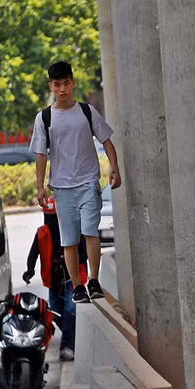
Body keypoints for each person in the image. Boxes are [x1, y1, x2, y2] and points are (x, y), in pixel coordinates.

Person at [31, 60, 122, 304]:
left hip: (88, 181)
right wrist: (40, 186)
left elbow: (106, 141)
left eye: (66, 83)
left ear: (73, 83)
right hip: (61, 187)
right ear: (51, 86)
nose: (62, 89)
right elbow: (40, 154)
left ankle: (94, 280)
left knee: (90, 231)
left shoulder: (86, 111)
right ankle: (77, 286)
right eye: (57, 84)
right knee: (69, 239)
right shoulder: (45, 118)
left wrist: (114, 168)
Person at [22, 198, 87, 361]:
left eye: (54, 219)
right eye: (48, 218)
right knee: (55, 312)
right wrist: (29, 270)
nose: (50, 223)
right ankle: (72, 334)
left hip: (72, 278)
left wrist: (66, 259)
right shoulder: (41, 233)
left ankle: (67, 347)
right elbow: (33, 254)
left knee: (70, 309)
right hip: (53, 280)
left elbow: (84, 254)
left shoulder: (74, 230)